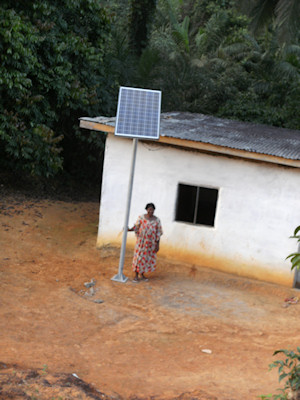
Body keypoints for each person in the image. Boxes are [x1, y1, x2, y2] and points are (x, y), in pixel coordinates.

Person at [128, 203, 163, 282]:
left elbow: (159, 233)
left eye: (152, 210)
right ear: (146, 210)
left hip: (150, 244)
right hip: (141, 243)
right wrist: (130, 229)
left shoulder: (157, 220)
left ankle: (142, 274)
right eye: (149, 209)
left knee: (146, 259)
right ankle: (136, 275)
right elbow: (136, 227)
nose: (151, 211)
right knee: (138, 258)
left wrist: (157, 244)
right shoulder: (141, 218)